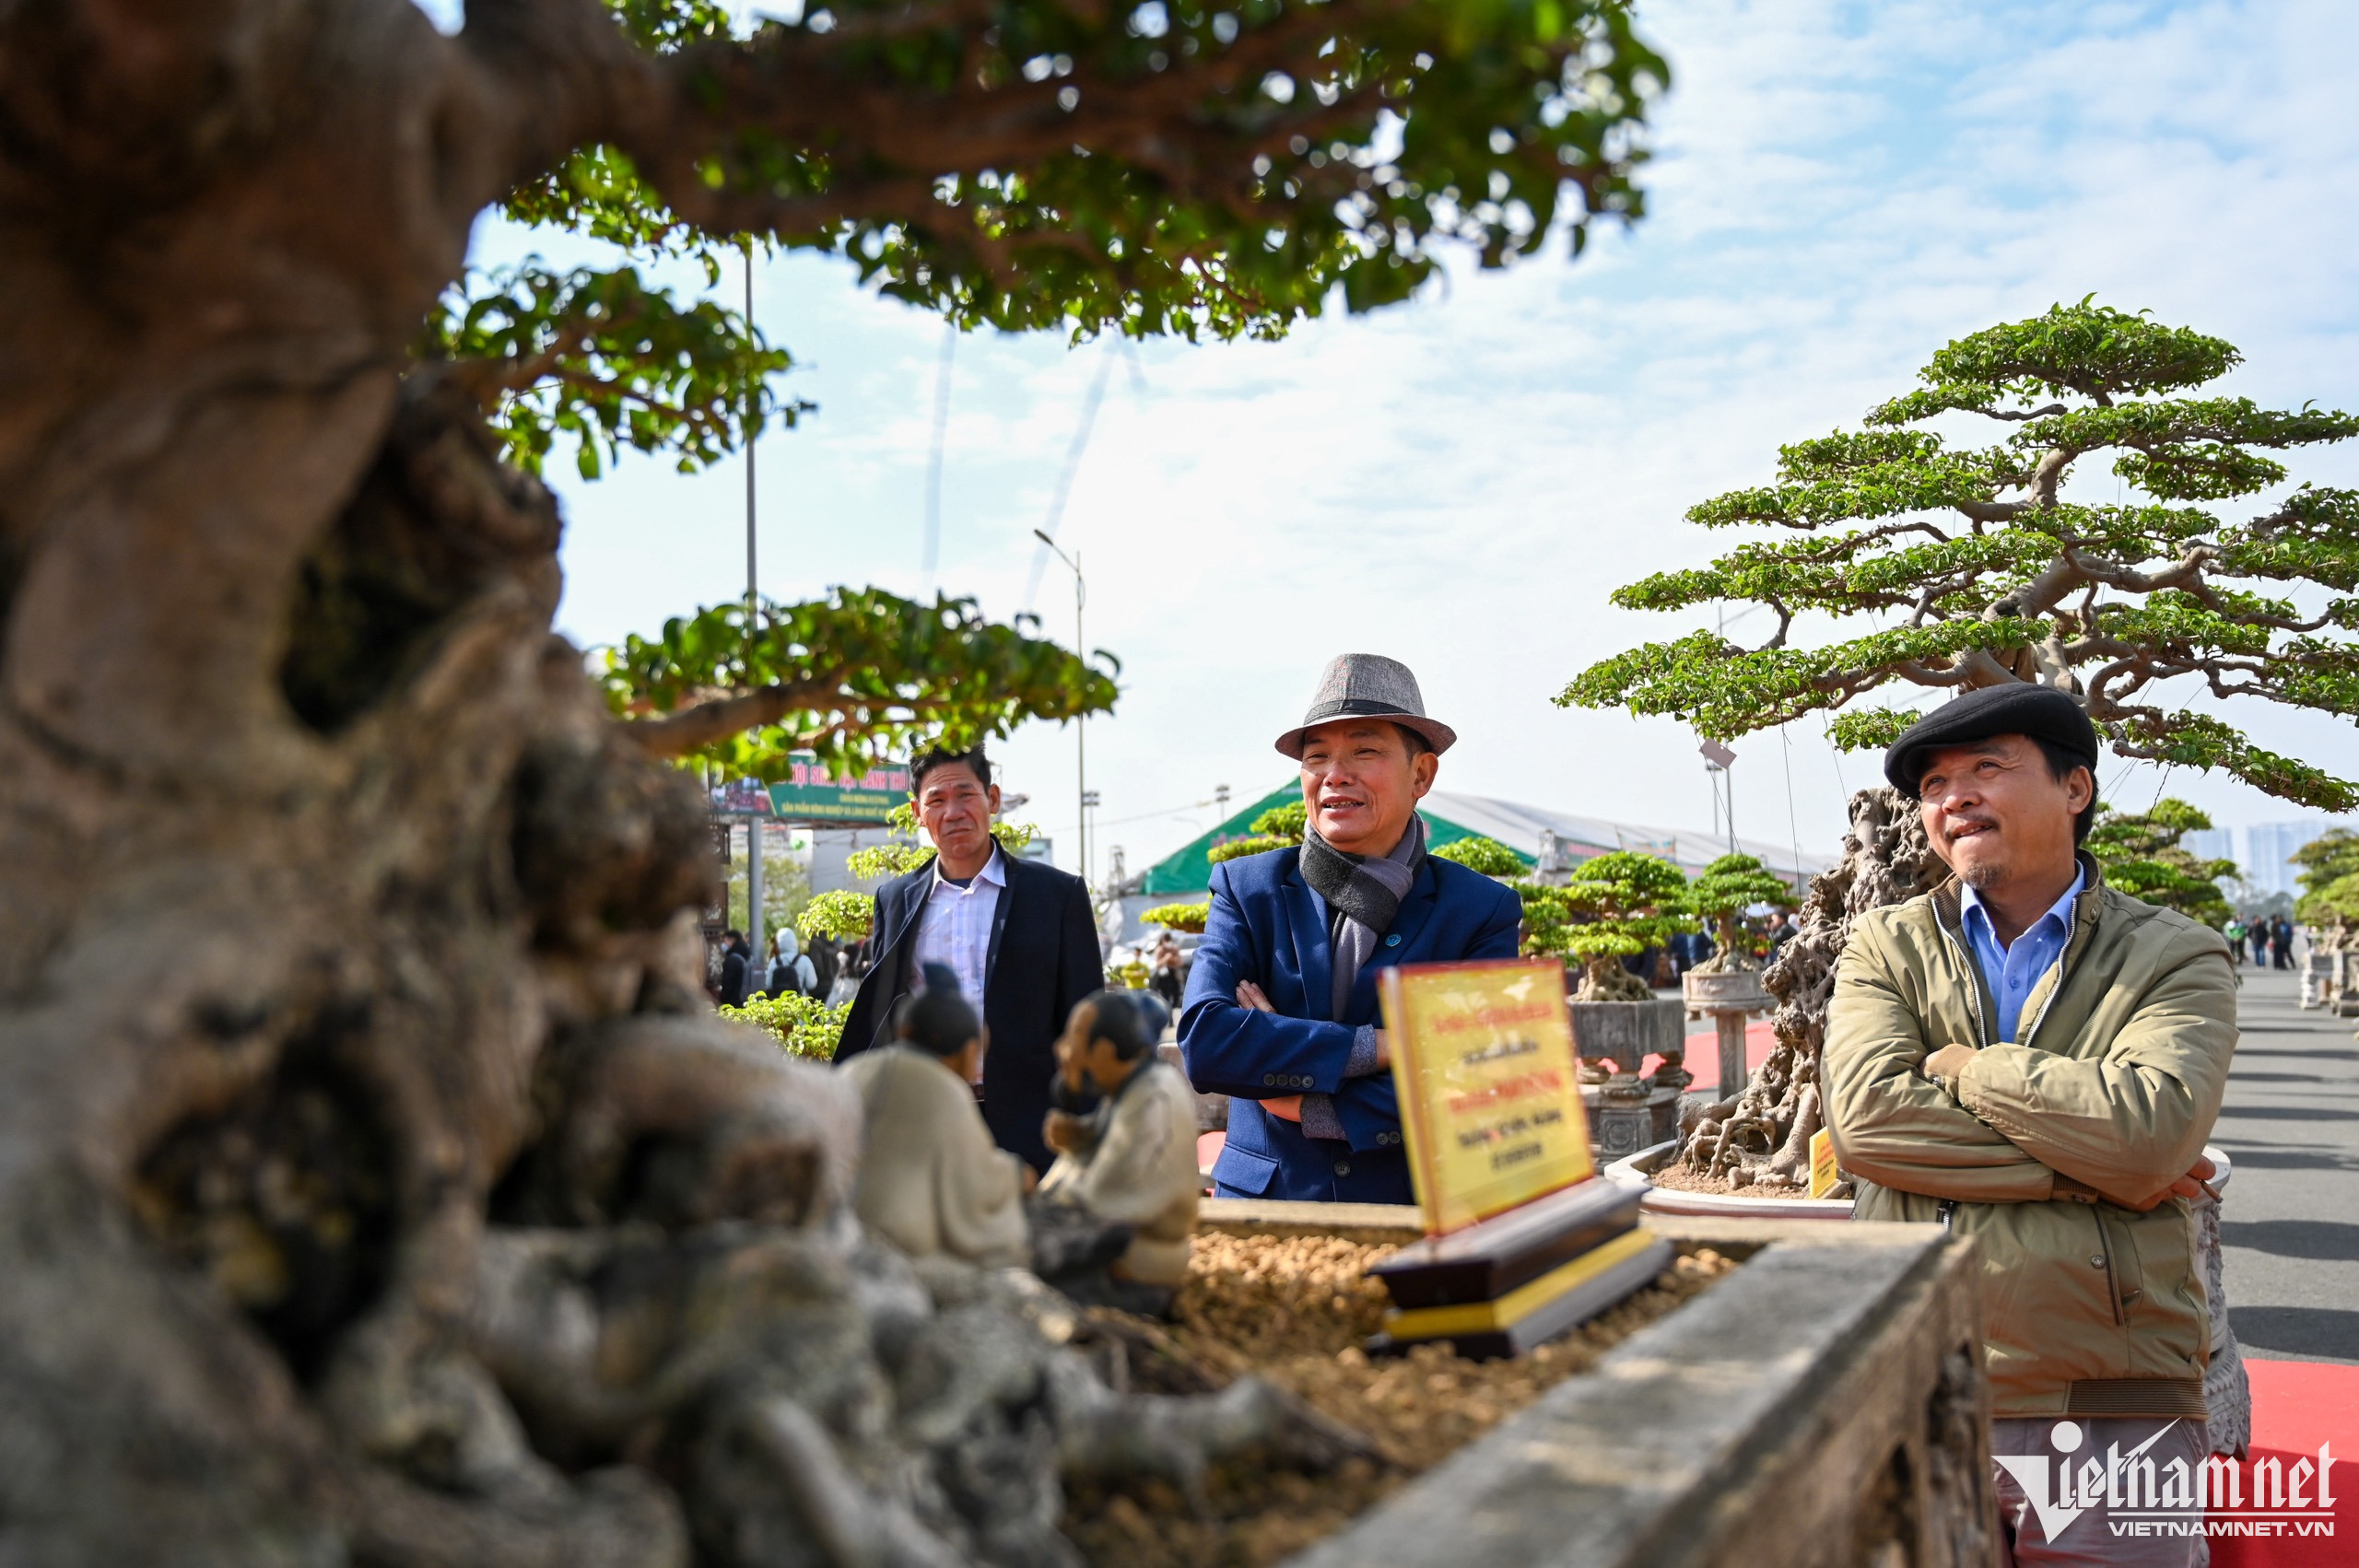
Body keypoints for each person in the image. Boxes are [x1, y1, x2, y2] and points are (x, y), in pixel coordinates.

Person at [1823, 684, 2236, 1567]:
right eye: (1933, 784)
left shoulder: (2175, 952)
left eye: (1986, 768)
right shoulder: (1882, 944)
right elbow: (1866, 1123)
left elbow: (2151, 1134)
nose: (1953, 797)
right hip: (1916, 1380)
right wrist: (2090, 1168)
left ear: (2075, 789)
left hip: (2110, 1392)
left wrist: (1969, 1066)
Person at [1180, 654, 1522, 1204]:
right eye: (1317, 757)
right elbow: (1208, 1042)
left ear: (1422, 774)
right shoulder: (1248, 889)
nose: (1336, 774)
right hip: (1268, 1206)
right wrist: (1390, 1044)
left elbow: (1481, 1076)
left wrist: (1310, 1103)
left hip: (1413, 1209)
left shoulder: (1480, 910)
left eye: (1365, 751)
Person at [837, 745, 1103, 1172]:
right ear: (917, 813)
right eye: (936, 801)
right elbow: (884, 1014)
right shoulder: (895, 900)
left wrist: (1087, 1132)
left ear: (992, 799)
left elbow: (1087, 1020)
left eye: (966, 795)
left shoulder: (1057, 895)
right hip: (928, 1123)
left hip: (1033, 1126)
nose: (953, 812)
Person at [839, 965, 1030, 1270]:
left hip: (834, 1231)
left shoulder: (854, 1070)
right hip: (896, 1250)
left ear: (903, 1032)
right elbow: (979, 1181)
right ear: (969, 1052)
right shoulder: (946, 1092)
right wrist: (1017, 1174)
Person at [1034, 989, 1202, 1316]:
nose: (1061, 1050)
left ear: (1105, 1051)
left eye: (1074, 1039)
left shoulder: (1152, 1097)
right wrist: (1082, 1137)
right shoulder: (1131, 1088)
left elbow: (1105, 1194)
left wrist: (1039, 1211)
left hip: (1139, 1248)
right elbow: (1106, 1146)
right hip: (1123, 1224)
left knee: (1034, 1246)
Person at [766, 928, 817, 998]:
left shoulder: (773, 962)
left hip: (779, 1004)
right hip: (800, 1003)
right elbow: (812, 984)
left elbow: (768, 985)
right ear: (794, 941)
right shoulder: (805, 960)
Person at [1148, 931, 1186, 1011]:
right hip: (1164, 976)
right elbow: (1158, 964)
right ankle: (1168, 1014)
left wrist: (1172, 959)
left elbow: (1180, 962)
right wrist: (1165, 958)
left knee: (1176, 995)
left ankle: (1172, 1010)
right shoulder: (1160, 949)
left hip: (1174, 975)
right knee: (1166, 996)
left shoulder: (1174, 949)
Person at [714, 929, 751, 1007]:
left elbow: (727, 985)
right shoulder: (747, 954)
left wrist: (722, 1003)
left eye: (724, 941)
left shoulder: (732, 960)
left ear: (732, 940)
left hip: (734, 1004)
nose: (723, 944)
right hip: (746, 1001)